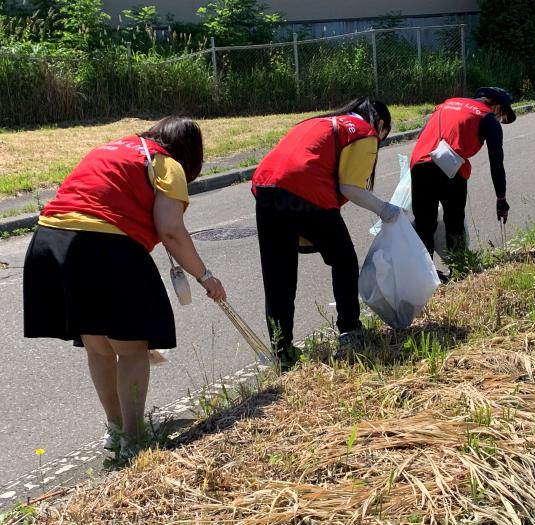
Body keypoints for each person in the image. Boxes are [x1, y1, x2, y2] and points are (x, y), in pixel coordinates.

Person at [23, 116, 226, 454]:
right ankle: (135, 440)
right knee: (131, 349)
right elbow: (170, 228)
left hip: (50, 240)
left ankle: (116, 431)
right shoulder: (165, 163)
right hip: (103, 245)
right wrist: (205, 277)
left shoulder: (110, 149)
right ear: (191, 152)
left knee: (100, 348)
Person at [251, 97, 398, 370]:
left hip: (265, 189)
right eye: (384, 135)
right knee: (343, 259)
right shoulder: (363, 131)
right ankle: (350, 329)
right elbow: (351, 187)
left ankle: (282, 354)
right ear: (380, 124)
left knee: (278, 277)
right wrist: (385, 209)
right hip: (307, 191)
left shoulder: (318, 121)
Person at [409, 87, 516, 281]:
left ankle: (423, 279)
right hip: (449, 167)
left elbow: (424, 135)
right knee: (454, 221)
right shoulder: (487, 117)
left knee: (424, 224)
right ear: (498, 108)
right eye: (502, 116)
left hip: (419, 163)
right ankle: (459, 272)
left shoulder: (447, 103)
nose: (500, 119)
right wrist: (501, 198)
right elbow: (496, 161)